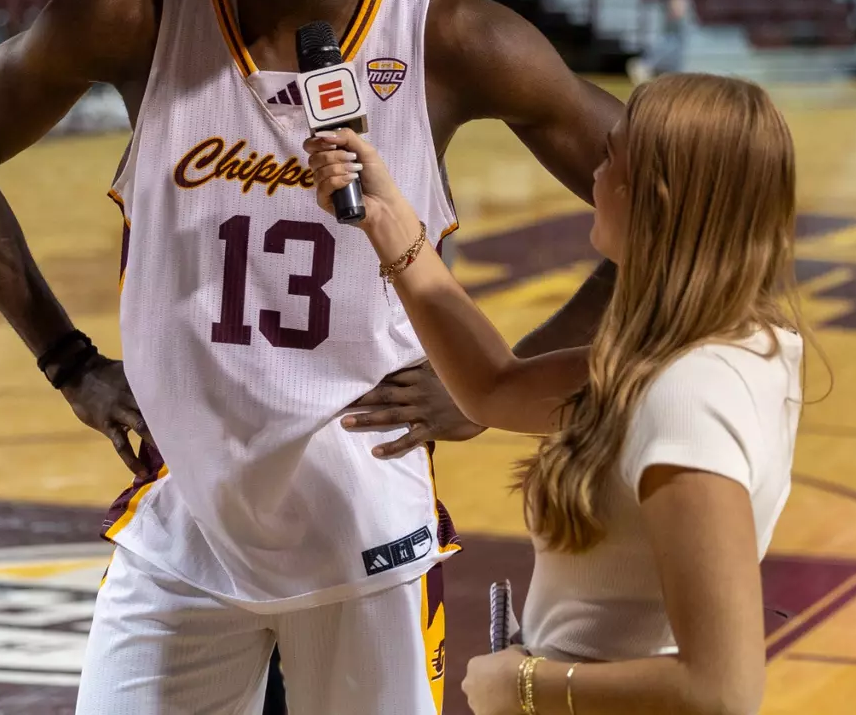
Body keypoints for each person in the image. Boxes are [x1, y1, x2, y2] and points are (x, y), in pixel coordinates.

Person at [0, 0, 622, 714]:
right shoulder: (132, 13)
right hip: (185, 520)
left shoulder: (455, 39)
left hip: (364, 522)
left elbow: (682, 209)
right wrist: (67, 359)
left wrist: (498, 385)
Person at [303, 73, 805, 715]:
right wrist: (388, 218)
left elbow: (722, 691)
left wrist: (523, 687)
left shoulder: (689, 395)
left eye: (609, 157)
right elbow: (494, 388)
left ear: (653, 197)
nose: (592, 174)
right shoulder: (734, 340)